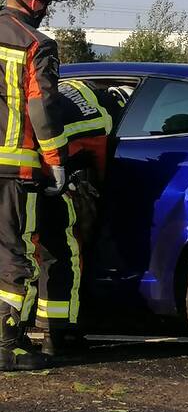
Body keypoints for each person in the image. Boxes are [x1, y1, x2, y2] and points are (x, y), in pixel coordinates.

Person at [0, 0, 70, 371]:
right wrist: (56, 163)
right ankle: (6, 346)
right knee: (13, 254)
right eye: (45, 1)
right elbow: (42, 110)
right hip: (13, 169)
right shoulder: (35, 44)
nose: (46, 9)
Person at [32, 80, 124, 357]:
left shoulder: (68, 87)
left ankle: (14, 333)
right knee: (64, 252)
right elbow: (101, 164)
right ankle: (59, 333)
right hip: (46, 173)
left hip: (18, 171)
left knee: (19, 251)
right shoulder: (101, 120)